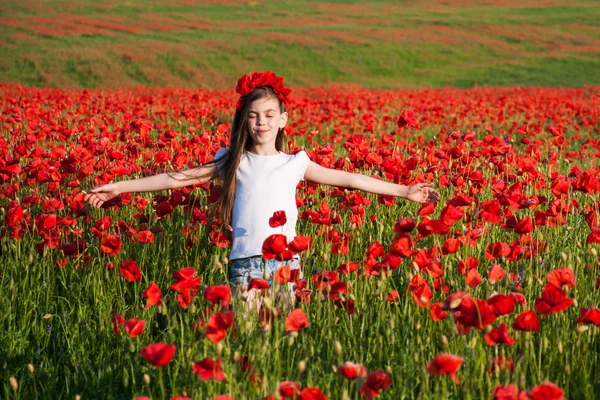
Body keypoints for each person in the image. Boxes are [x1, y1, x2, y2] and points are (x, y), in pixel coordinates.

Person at [84, 71, 440, 302]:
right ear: (244, 120)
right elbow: (176, 177)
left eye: (269, 115)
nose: (261, 122)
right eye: (253, 116)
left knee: (281, 344)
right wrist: (120, 187)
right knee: (251, 346)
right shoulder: (233, 162)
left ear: (283, 120)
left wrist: (404, 191)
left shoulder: (295, 163)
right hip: (245, 264)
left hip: (287, 262)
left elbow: (351, 179)